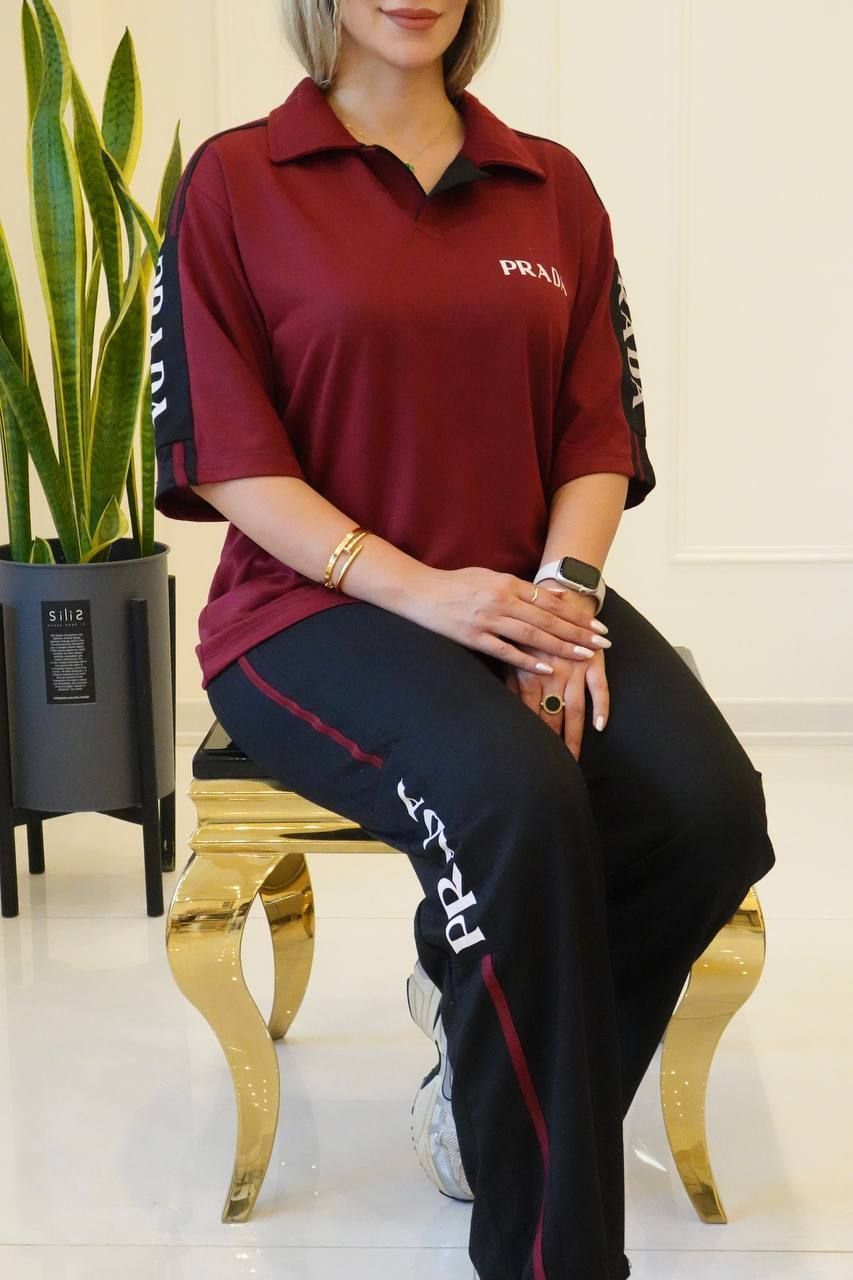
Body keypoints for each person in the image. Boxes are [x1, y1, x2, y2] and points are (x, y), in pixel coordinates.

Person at [150, 2, 777, 1276]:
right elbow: (225, 454)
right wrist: (427, 592)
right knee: (517, 801)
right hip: (309, 610)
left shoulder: (551, 187)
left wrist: (561, 600)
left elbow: (597, 433)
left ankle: (480, 1056)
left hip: (519, 591)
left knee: (708, 809)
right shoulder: (236, 180)